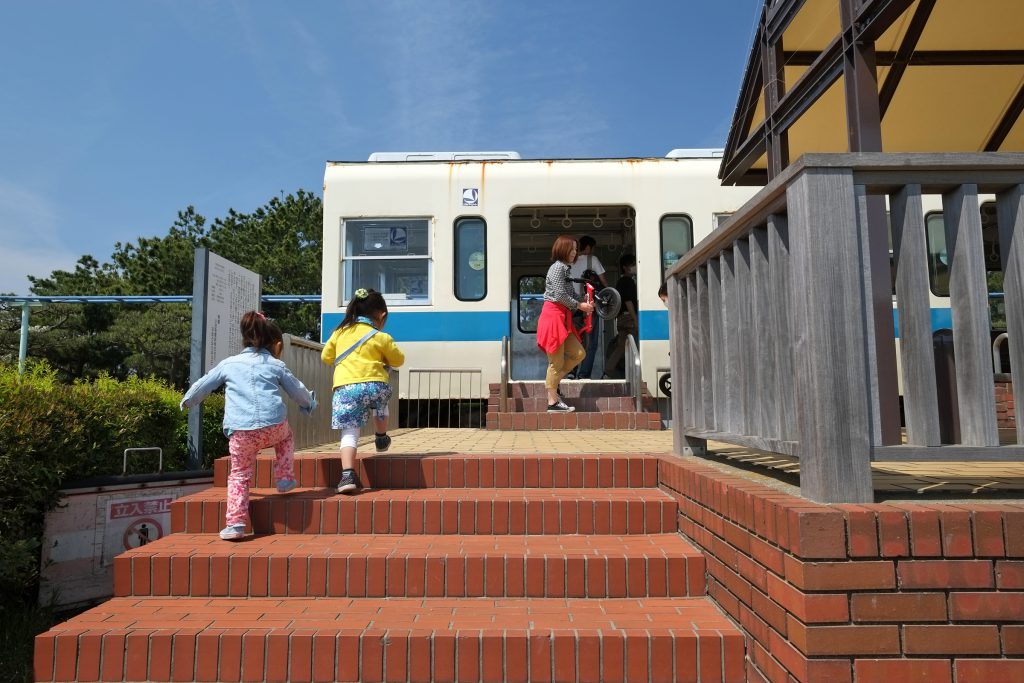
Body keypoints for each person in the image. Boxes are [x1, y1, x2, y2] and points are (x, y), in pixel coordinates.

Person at [180, 311, 316, 541]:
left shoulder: (228, 364)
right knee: (286, 438)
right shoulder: (276, 365)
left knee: (239, 475)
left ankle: (235, 525)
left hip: (242, 432)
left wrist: (188, 400)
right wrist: (309, 404)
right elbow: (297, 391)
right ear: (274, 344)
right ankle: (284, 479)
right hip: (274, 427)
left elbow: (204, 384)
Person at [321, 288, 405, 493]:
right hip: (375, 385)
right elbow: (398, 360)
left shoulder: (340, 333)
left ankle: (347, 475)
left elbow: (326, 357)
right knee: (380, 404)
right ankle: (381, 435)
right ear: (382, 316)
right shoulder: (381, 337)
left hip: (346, 388)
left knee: (349, 431)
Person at [536, 236, 594, 412]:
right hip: (553, 317)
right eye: (572, 249)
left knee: (579, 354)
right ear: (562, 249)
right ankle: (552, 402)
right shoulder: (557, 268)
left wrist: (583, 299)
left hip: (562, 318)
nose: (575, 252)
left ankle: (553, 384)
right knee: (556, 362)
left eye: (576, 249)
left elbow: (569, 295)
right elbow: (560, 295)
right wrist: (580, 305)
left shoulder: (565, 269)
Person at [568, 235, 609, 379]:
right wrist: (609, 296)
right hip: (590, 304)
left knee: (574, 338)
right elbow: (604, 282)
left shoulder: (569, 262)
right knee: (591, 342)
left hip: (573, 305)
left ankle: (571, 371)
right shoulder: (593, 260)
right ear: (588, 247)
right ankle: (584, 374)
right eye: (593, 248)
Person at [605, 253, 639, 378]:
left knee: (621, 347)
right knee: (633, 345)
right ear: (625, 267)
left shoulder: (620, 282)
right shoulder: (628, 281)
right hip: (628, 318)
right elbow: (628, 302)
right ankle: (634, 375)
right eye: (632, 264)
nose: (635, 267)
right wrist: (635, 320)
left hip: (621, 318)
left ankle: (609, 369)